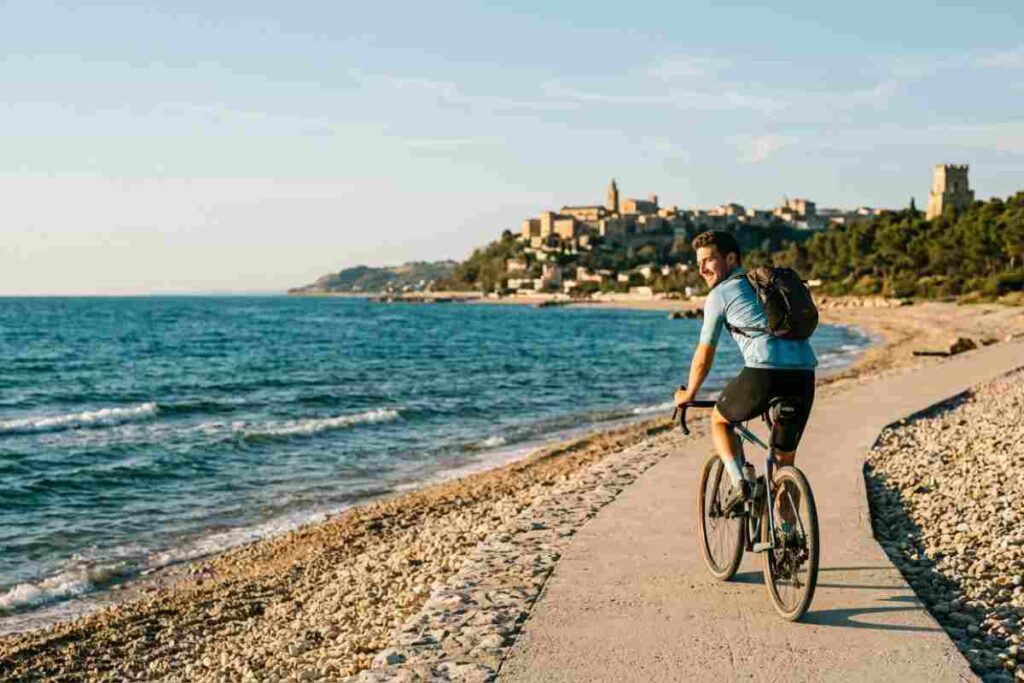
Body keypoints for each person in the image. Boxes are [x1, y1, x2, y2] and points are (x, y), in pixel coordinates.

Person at [673, 230, 817, 517]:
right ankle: (788, 538)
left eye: (709, 260)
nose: (702, 269)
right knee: (783, 463)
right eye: (698, 263)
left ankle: (741, 484)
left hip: (764, 374)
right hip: (804, 375)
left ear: (730, 258)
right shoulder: (766, 288)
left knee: (719, 421)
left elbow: (704, 354)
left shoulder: (720, 295)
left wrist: (689, 393)